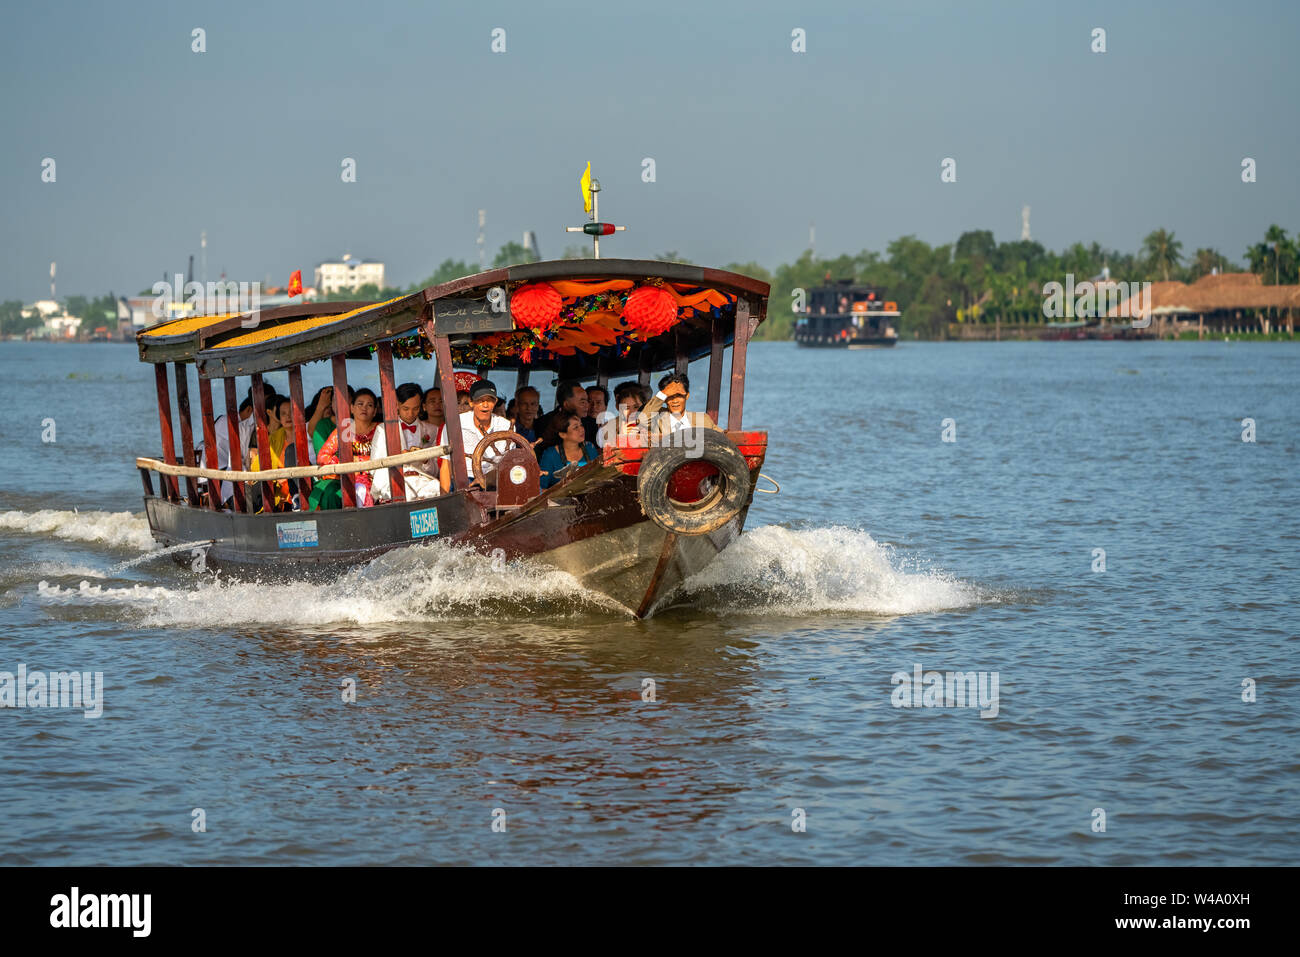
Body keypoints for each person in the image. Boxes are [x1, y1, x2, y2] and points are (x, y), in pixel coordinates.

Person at [371, 383, 442, 502]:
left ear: (421, 406)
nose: (410, 413)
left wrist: (425, 460)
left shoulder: (432, 430)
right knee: (406, 495)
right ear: (397, 405)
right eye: (406, 409)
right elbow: (375, 466)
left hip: (423, 479)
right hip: (392, 478)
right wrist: (397, 458)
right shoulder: (383, 430)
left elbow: (437, 469)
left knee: (438, 489)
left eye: (415, 408)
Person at [435, 379, 510, 490]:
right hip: (462, 481)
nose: (485, 405)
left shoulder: (506, 426)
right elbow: (446, 464)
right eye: (480, 400)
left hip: (495, 481)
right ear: (471, 402)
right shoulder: (454, 424)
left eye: (490, 400)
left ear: (495, 402)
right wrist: (444, 500)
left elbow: (507, 463)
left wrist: (487, 479)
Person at [312, 388, 380, 509]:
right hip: (349, 479)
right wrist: (346, 463)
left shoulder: (381, 430)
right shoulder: (343, 430)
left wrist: (360, 461)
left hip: (376, 479)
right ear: (352, 408)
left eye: (369, 405)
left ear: (375, 411)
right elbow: (322, 457)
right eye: (360, 404)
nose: (364, 408)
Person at [638, 373, 721, 435]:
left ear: (687, 396)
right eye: (670, 396)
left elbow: (723, 438)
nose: (675, 401)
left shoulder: (703, 419)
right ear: (664, 399)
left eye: (679, 395)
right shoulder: (656, 418)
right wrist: (663, 393)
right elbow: (642, 420)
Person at [538, 413, 598, 489]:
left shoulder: (590, 448)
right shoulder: (550, 455)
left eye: (581, 425)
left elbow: (598, 476)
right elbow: (540, 487)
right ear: (563, 434)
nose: (582, 429)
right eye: (576, 427)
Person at [539, 379, 596, 446]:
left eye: (587, 401)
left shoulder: (592, 424)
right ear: (566, 404)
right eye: (582, 402)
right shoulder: (543, 424)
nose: (587, 405)